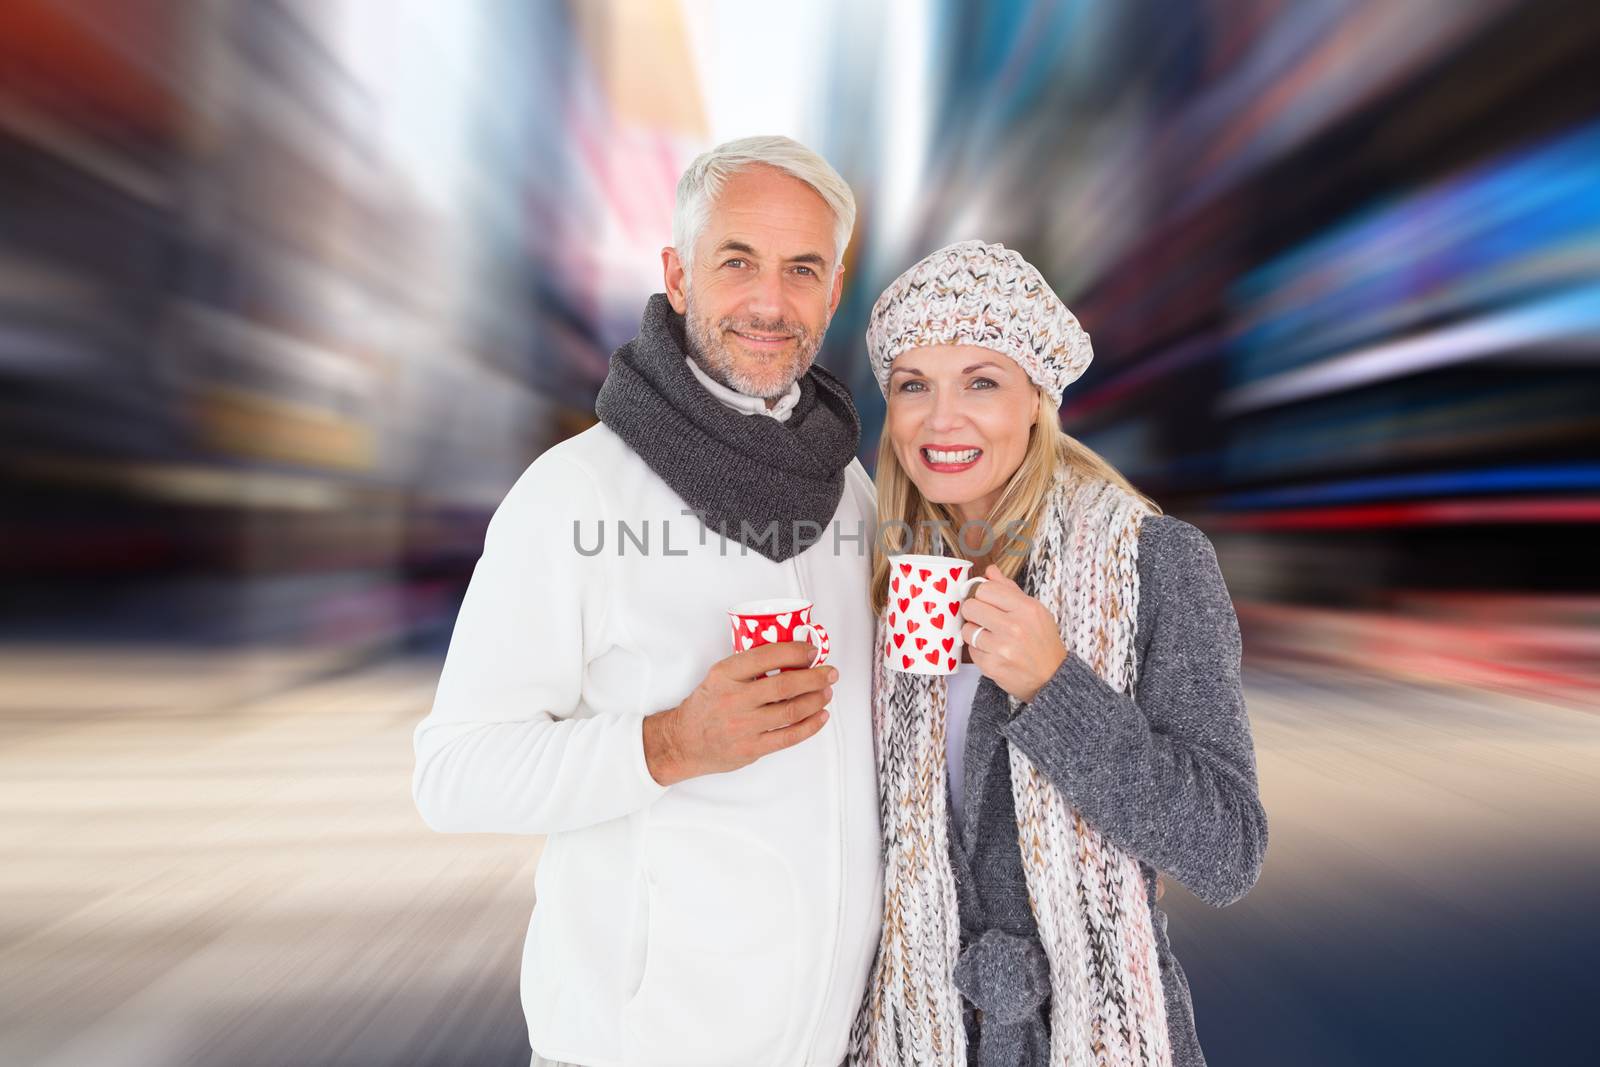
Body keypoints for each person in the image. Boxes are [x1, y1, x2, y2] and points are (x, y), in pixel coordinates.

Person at [412, 136, 882, 1067]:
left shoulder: (852, 489)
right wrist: (667, 743)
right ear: (676, 273)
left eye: (802, 270)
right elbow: (451, 773)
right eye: (736, 260)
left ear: (833, 293)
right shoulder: (576, 494)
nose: (768, 302)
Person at [850, 240, 1268, 1066]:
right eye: (913, 385)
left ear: (1038, 398)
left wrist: (1055, 686)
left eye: (981, 381)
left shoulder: (1153, 561)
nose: (942, 419)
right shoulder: (884, 575)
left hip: (1090, 1038)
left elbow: (1228, 852)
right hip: (912, 1036)